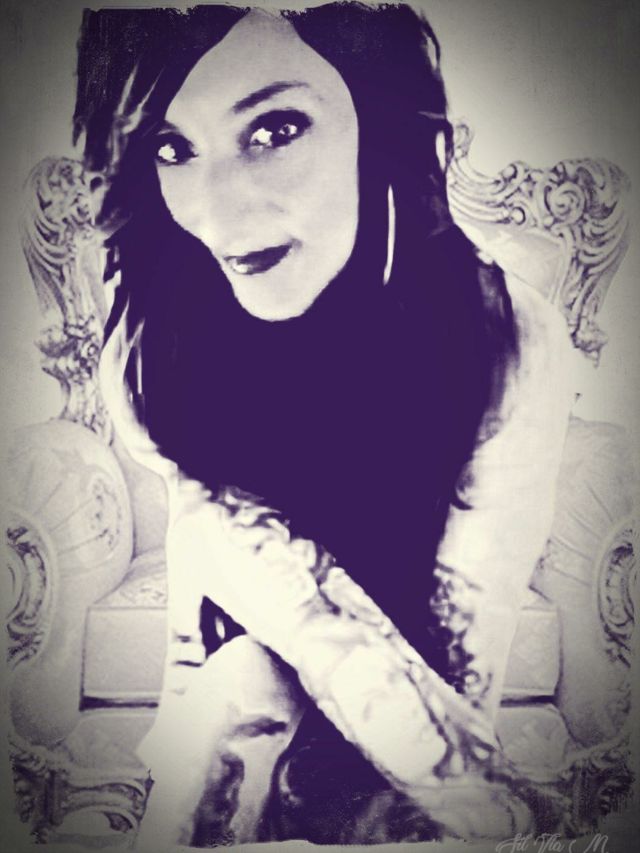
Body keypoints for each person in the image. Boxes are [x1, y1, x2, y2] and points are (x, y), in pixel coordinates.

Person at [74, 1, 570, 846]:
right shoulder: (157, 349)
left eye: (275, 128)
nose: (218, 213)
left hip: (413, 680)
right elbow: (264, 606)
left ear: (374, 120)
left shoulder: (501, 335)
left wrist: (469, 808)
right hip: (240, 677)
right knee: (244, 686)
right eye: (172, 147)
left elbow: (458, 676)